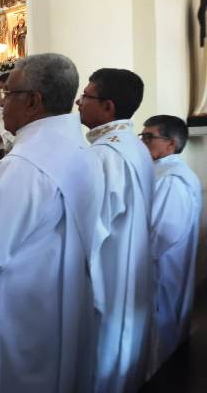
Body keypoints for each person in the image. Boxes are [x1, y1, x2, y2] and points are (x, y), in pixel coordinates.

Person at [0, 53, 103, 392]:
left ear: (33, 102)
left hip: (18, 323)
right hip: (57, 307)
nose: (2, 103)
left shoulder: (24, 167)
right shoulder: (81, 150)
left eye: (8, 94)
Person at [77, 68, 155, 393]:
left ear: (107, 107)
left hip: (109, 272)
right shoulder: (135, 146)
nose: (79, 102)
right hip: (131, 266)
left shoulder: (103, 156)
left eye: (87, 96)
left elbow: (88, 230)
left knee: (103, 352)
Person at [141, 115, 201, 372]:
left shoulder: (171, 179)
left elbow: (162, 234)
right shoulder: (163, 172)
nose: (142, 142)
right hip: (159, 270)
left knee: (159, 340)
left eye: (149, 137)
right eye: (141, 136)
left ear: (171, 144)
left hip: (161, 272)